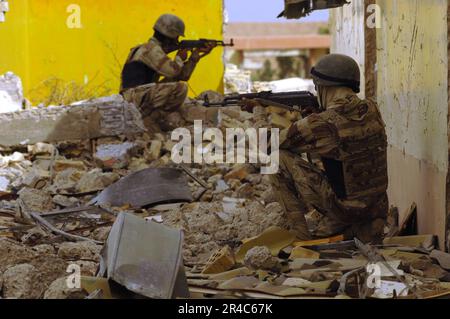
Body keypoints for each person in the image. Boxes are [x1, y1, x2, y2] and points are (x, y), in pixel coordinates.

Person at [271, 54, 388, 243]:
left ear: (323, 86)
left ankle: (300, 237)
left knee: (275, 158)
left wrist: (258, 113)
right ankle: (360, 229)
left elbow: (270, 143)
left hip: (345, 210)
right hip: (376, 208)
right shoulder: (372, 109)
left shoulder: (320, 123)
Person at [120, 13, 214, 132]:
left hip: (138, 95)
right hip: (133, 97)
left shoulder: (152, 49)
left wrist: (195, 57)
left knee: (176, 83)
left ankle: (152, 118)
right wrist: (179, 57)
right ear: (169, 36)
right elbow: (173, 72)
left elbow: (182, 76)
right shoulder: (150, 50)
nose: (177, 41)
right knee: (180, 88)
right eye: (176, 38)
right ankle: (151, 120)